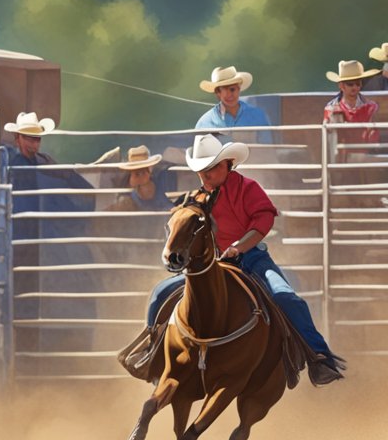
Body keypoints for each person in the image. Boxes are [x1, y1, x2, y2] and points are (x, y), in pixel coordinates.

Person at [144, 134, 343, 385]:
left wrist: (238, 247)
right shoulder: (195, 199)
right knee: (160, 292)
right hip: (210, 266)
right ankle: (152, 354)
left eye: (211, 168)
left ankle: (319, 356)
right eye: (201, 171)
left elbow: (263, 220)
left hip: (252, 259)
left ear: (227, 164)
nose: (205, 176)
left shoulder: (248, 188)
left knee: (284, 296)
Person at [0, 112, 95, 324]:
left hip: (37, 240)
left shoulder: (36, 165)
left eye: (37, 138)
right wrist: (60, 172)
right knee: (24, 289)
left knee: (31, 289)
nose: (34, 144)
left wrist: (60, 172)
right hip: (23, 240)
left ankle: (28, 334)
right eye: (29, 138)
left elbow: (84, 190)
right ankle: (23, 334)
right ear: (18, 139)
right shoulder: (17, 166)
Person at [193, 66, 273, 144]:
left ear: (239, 89)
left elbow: (269, 150)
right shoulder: (204, 123)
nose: (229, 95)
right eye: (223, 90)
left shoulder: (258, 116)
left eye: (232, 89)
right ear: (217, 93)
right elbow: (200, 154)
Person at [324, 60, 381, 150]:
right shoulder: (331, 108)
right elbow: (328, 136)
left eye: (358, 84)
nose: (355, 87)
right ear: (341, 86)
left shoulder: (371, 107)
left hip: (364, 155)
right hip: (341, 157)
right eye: (350, 84)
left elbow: (374, 134)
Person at [107, 146, 171, 212]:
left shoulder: (161, 181)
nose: (140, 174)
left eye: (143, 170)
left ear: (150, 169)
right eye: (135, 171)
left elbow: (167, 206)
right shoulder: (125, 194)